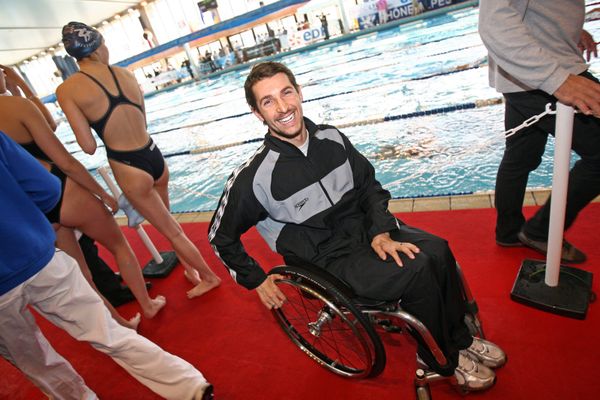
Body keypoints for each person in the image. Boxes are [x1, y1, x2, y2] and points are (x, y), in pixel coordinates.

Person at [208, 62, 506, 390]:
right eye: (268, 102)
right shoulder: (255, 177)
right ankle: (442, 356)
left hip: (366, 231)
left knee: (438, 249)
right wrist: (255, 280)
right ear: (257, 113)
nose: (282, 108)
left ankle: (460, 338)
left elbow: (368, 185)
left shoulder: (331, 137)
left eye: (286, 93)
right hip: (327, 258)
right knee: (417, 269)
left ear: (299, 92)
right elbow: (220, 236)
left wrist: (380, 231)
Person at [0, 130, 213, 400]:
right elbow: (46, 187)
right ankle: (189, 387)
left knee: (35, 360)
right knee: (108, 332)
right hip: (37, 251)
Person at [56, 22, 221, 299]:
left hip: (129, 166)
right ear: (98, 47)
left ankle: (208, 276)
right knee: (171, 225)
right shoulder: (126, 74)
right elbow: (141, 120)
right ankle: (190, 271)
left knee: (172, 231)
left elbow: (87, 146)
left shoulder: (68, 90)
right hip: (154, 155)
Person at [0, 65, 162, 329]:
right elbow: (65, 161)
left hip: (36, 208)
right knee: (119, 245)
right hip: (62, 189)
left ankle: (118, 323)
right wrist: (103, 194)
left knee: (81, 273)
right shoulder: (18, 107)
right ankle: (148, 305)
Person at [479, 1, 600, 263]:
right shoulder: (553, 77)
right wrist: (557, 79)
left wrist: (564, 31)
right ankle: (541, 231)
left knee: (520, 158)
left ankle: (509, 232)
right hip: (548, 76)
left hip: (520, 78)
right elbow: (494, 22)